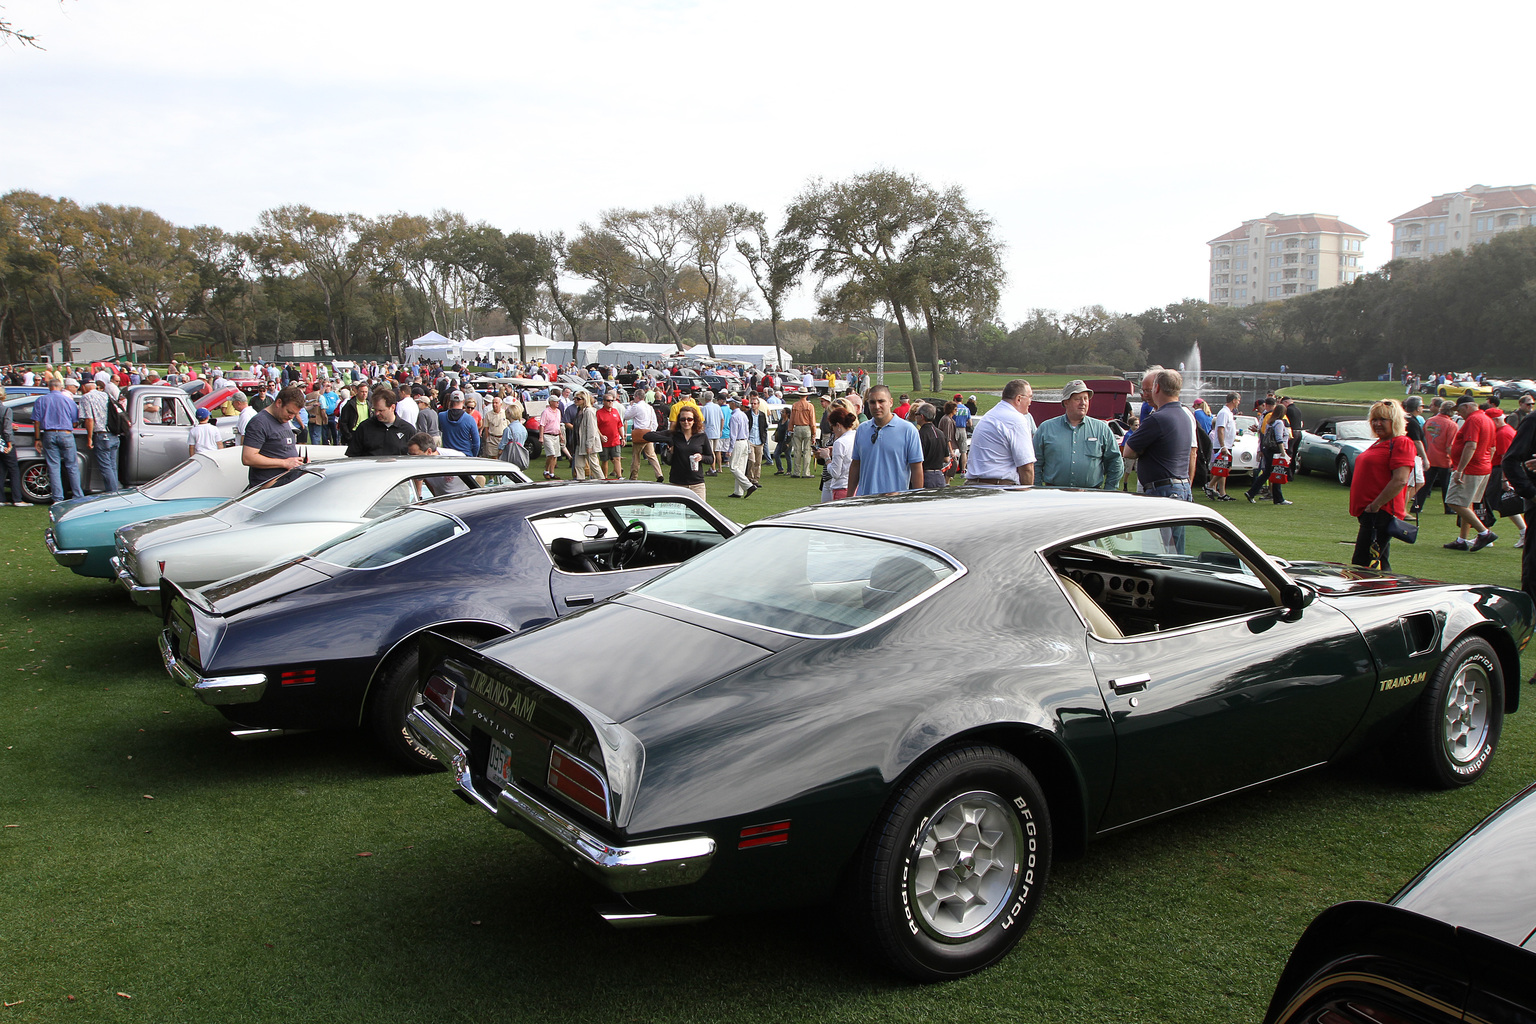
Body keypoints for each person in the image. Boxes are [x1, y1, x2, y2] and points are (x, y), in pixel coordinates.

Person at [1349, 400, 1416, 571]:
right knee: (1378, 559)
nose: (1377, 424)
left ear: (1394, 421)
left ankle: (1369, 593)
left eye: (1383, 420)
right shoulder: (1380, 443)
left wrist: (1375, 505)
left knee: (1363, 562)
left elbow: (1400, 479)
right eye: (1374, 420)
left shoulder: (1401, 443)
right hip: (1370, 512)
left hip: (1381, 512)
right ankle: (1386, 590)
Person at [1034, 380, 1124, 490]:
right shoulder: (1046, 428)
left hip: (1090, 497)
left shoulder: (1102, 429)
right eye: (1077, 399)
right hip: (1054, 496)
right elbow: (1035, 463)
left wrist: (1109, 490)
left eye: (1085, 398)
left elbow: (1115, 462)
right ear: (1066, 402)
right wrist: (1038, 490)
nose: (1083, 403)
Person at [1125, 367, 1193, 503]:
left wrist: (1144, 450)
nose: (1144, 394)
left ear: (1157, 388)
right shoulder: (1185, 416)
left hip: (1164, 490)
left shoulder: (1158, 418)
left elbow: (1128, 451)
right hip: (1181, 486)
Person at [1444, 396, 1498, 551]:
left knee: (1454, 502)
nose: (1459, 414)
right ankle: (1462, 540)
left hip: (1471, 468)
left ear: (1466, 406)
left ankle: (1484, 533)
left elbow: (1471, 445)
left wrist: (1460, 470)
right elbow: (1492, 448)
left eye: (1459, 410)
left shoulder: (1473, 420)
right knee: (1467, 504)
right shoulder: (1487, 419)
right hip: (1483, 467)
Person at [848, 385, 923, 496]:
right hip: (865, 501)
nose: (877, 406)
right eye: (872, 402)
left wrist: (917, 498)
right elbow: (856, 465)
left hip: (895, 504)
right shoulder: (862, 429)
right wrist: (849, 497)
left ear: (890, 402)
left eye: (881, 401)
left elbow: (916, 468)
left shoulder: (908, 430)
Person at [965, 379, 1036, 485]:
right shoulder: (1017, 420)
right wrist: (1027, 497)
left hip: (974, 486)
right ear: (1019, 399)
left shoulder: (990, 415)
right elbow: (1026, 467)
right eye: (1030, 397)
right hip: (998, 489)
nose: (1031, 401)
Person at [242, 385, 305, 488]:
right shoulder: (259, 422)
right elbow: (248, 458)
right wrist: (285, 463)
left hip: (287, 482)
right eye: (289, 412)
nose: (291, 417)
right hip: (270, 489)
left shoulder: (283, 418)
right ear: (279, 403)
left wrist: (297, 461)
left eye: (295, 414)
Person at [33, 377, 83, 503]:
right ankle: (78, 495)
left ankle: (57, 498)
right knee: (72, 465)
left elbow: (37, 422)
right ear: (61, 387)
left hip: (49, 434)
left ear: (49, 387)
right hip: (65, 433)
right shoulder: (68, 401)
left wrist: (37, 438)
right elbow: (75, 422)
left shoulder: (41, 400)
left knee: (53, 467)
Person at [645, 406, 712, 500]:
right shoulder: (673, 435)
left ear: (694, 421)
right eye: (682, 419)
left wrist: (701, 457)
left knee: (698, 514)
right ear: (679, 421)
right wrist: (669, 441)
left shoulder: (701, 437)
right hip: (677, 483)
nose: (686, 422)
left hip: (697, 484)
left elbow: (710, 458)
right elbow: (648, 436)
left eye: (689, 419)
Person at [1244, 396, 1292, 505]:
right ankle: (1277, 498)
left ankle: (1254, 492)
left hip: (1268, 449)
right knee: (1275, 472)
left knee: (1268, 473)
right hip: (1275, 451)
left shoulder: (1270, 421)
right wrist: (1283, 452)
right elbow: (1279, 438)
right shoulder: (1279, 423)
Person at [1415, 398, 1458, 515]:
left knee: (1425, 484)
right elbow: (1450, 446)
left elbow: (1423, 438)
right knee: (1446, 486)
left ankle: (1417, 506)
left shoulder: (1429, 421)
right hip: (1444, 459)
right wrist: (1454, 461)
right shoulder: (1451, 425)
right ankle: (1448, 508)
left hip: (1429, 457)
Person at [77, 380, 120, 493]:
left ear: (83, 387)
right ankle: (115, 491)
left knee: (105, 467)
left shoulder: (86, 398)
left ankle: (112, 492)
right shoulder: (106, 395)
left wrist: (89, 438)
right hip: (113, 433)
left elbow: (89, 419)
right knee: (112, 466)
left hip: (101, 434)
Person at [346, 388, 417, 457]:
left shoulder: (408, 430)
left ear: (392, 407)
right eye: (375, 410)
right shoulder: (364, 427)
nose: (377, 413)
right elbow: (353, 455)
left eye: (381, 410)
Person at [816, 406, 858, 502]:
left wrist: (827, 458)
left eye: (832, 427)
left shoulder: (840, 442)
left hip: (841, 488)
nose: (832, 430)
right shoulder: (856, 435)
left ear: (838, 425)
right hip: (855, 487)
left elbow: (835, 473)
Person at [909, 402, 950, 488]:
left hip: (925, 476)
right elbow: (946, 459)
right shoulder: (941, 433)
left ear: (922, 416)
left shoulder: (920, 434)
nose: (916, 417)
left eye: (917, 414)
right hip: (939, 476)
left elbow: (916, 459)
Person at [626, 388, 664, 481]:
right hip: (648, 432)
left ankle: (633, 476)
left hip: (639, 433)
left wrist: (629, 406)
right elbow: (654, 422)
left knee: (636, 456)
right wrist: (652, 432)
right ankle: (659, 474)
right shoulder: (649, 407)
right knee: (652, 455)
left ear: (637, 397)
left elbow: (626, 416)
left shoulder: (636, 407)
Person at [1208, 391, 1239, 501]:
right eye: (1238, 401)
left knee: (1223, 468)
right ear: (1233, 400)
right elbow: (1220, 429)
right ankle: (1210, 485)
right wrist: (1223, 446)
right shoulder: (1224, 413)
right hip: (1223, 446)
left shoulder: (1229, 413)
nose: (1238, 403)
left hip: (1227, 444)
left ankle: (1222, 493)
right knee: (1225, 467)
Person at [725, 397, 756, 498]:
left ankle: (748, 486)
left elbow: (733, 434)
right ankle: (738, 491)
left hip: (738, 442)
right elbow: (747, 431)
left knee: (733, 467)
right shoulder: (743, 415)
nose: (729, 404)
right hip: (745, 442)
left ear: (734, 404)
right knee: (741, 468)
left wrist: (730, 449)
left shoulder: (734, 417)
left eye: (730, 402)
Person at [0, 387, 25, 505]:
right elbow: (6, 429)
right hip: (4, 442)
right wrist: (9, 444)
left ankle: (1, 498)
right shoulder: (6, 410)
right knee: (13, 469)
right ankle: (17, 498)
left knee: (1, 470)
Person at [438, 390, 481, 459]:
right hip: (465, 455)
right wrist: (473, 456)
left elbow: (441, 429)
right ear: (463, 401)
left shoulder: (441, 416)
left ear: (450, 401)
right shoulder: (470, 419)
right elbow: (476, 443)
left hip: (448, 456)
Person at [597, 391, 625, 479]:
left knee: (617, 458)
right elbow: (595, 426)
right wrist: (601, 436)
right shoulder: (599, 413)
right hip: (604, 441)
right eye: (608, 400)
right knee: (604, 460)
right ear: (604, 401)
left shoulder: (615, 411)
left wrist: (623, 437)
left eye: (612, 400)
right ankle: (604, 477)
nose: (611, 402)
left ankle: (619, 476)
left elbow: (619, 425)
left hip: (615, 439)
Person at [789, 393, 817, 478]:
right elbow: (812, 421)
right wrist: (814, 433)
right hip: (806, 428)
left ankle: (796, 472)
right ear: (806, 396)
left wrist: (790, 429)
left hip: (797, 428)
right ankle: (806, 472)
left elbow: (791, 419)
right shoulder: (810, 406)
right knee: (807, 451)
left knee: (797, 451)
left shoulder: (795, 405)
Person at [538, 396, 563, 480]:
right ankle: (546, 471)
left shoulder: (558, 412)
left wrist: (561, 435)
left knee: (555, 455)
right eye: (556, 401)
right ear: (551, 402)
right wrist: (541, 437)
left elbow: (557, 424)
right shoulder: (546, 412)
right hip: (547, 435)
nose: (557, 403)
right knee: (551, 454)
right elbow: (542, 425)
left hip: (556, 435)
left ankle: (552, 473)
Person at [700, 392, 725, 475]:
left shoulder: (705, 408)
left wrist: (701, 430)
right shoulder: (717, 407)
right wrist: (721, 430)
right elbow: (722, 419)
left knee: (711, 452)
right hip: (717, 431)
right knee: (717, 451)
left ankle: (713, 469)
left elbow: (702, 421)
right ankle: (719, 468)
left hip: (709, 432)